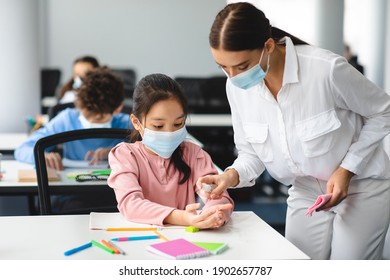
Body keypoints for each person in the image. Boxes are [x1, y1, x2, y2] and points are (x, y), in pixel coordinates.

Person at [197, 2, 390, 259]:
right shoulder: (236, 88)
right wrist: (228, 178)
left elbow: (383, 111)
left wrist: (347, 169)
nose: (233, 77)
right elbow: (251, 154)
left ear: (267, 46)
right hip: (305, 187)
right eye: (223, 67)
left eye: (242, 66)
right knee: (298, 264)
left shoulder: (326, 70)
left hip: (362, 184)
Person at [107, 73, 234, 228]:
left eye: (178, 124)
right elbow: (131, 205)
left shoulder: (194, 154)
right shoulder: (125, 155)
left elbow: (217, 196)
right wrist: (183, 218)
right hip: (141, 237)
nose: (169, 133)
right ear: (136, 122)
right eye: (158, 126)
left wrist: (215, 213)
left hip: (184, 239)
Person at [15, 67, 132, 170]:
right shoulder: (67, 119)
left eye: (99, 117)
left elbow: (148, 154)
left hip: (112, 192)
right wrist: (41, 155)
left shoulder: (128, 124)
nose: (92, 120)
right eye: (87, 114)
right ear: (78, 105)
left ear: (118, 108)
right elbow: (23, 149)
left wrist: (119, 153)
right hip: (70, 190)